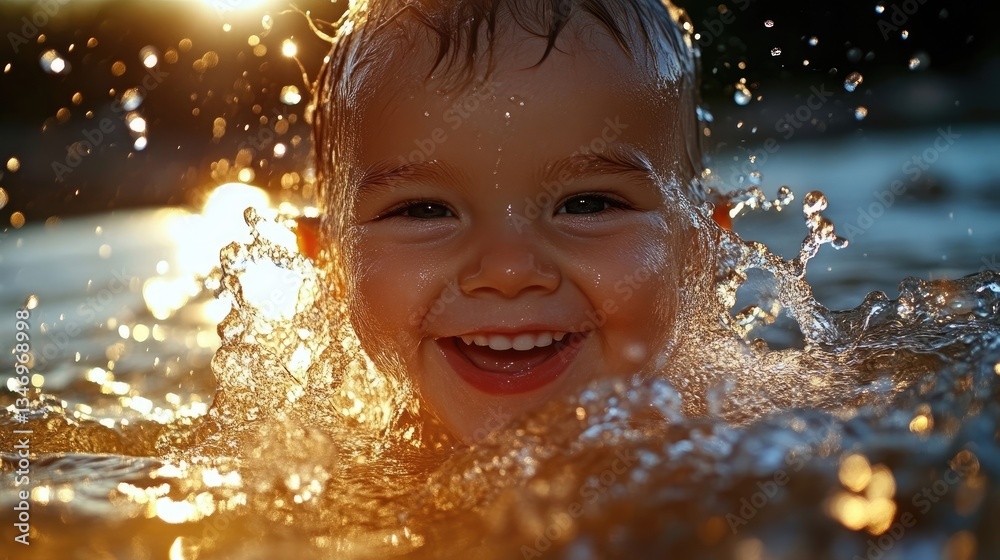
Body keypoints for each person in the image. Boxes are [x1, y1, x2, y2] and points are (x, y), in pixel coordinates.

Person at [306, 0, 726, 444]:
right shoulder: (301, 479)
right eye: (424, 211)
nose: (508, 270)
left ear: (701, 248)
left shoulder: (745, 465)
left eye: (586, 205)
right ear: (330, 263)